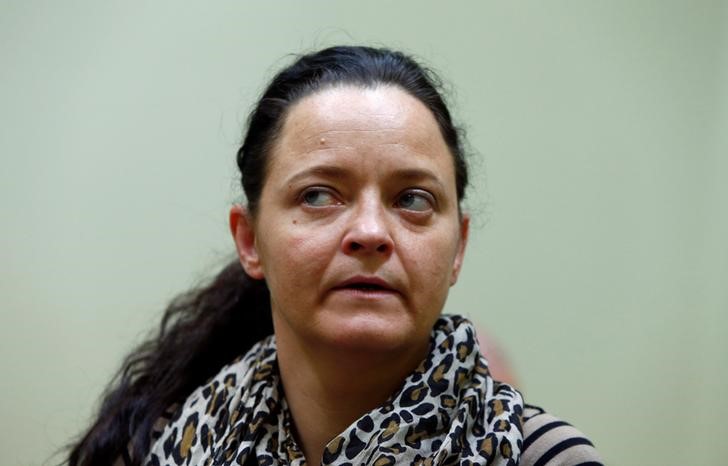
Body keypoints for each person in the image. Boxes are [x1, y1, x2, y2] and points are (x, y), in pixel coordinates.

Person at [67, 45, 602, 466]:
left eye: (412, 200)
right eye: (319, 195)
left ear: (458, 247)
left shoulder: (536, 456)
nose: (370, 233)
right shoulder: (160, 449)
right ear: (249, 240)